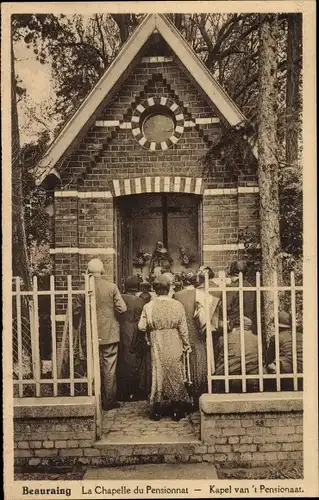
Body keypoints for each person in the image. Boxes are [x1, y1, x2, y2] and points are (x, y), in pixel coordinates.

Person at [138, 274, 192, 421]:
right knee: (175, 370)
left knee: (158, 372)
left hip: (157, 340)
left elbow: (141, 326)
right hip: (174, 339)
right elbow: (183, 328)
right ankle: (176, 409)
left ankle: (156, 409)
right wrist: (186, 344)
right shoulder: (177, 305)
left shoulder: (148, 306)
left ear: (155, 290)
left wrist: (153, 328)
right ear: (169, 289)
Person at [87, 259, 127, 410]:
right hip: (109, 332)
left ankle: (93, 399)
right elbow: (122, 308)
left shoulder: (83, 287)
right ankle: (109, 401)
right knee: (109, 367)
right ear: (102, 270)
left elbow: (76, 310)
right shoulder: (111, 287)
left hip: (90, 333)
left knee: (91, 365)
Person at [174, 271, 213, 405]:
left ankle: (187, 390)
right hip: (198, 331)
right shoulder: (203, 295)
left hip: (183, 331)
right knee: (200, 357)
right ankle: (200, 390)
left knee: (185, 360)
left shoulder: (177, 295)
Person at [117, 276, 146, 401]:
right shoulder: (140, 301)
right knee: (135, 361)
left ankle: (122, 391)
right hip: (135, 331)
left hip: (120, 331)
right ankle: (134, 391)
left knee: (121, 361)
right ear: (138, 287)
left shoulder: (120, 298)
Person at [214, 316, 260, 393]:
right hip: (253, 376)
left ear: (234, 325)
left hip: (229, 376)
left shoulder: (224, 338)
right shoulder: (257, 339)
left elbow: (217, 356)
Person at [266, 310, 303, 391]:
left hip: (286, 370)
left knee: (269, 368)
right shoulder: (301, 336)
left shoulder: (276, 337)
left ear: (277, 326)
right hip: (303, 369)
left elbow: (269, 359)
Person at [227, 260, 257, 333]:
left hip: (235, 324)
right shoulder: (250, 286)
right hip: (249, 324)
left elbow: (227, 306)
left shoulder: (232, 287)